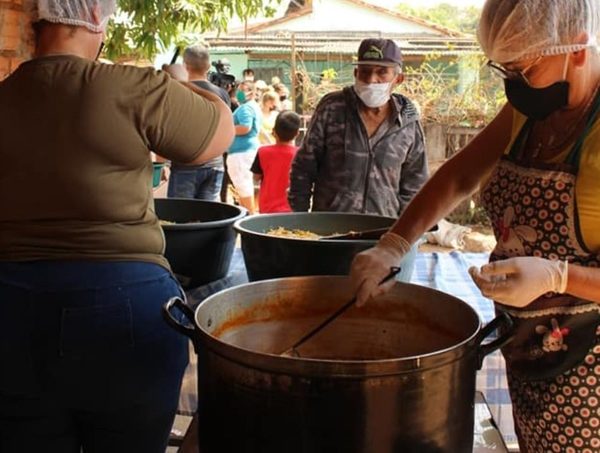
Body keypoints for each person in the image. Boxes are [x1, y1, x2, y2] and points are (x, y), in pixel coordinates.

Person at [350, 1, 600, 451]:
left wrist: (560, 276)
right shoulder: (531, 110)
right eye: (503, 69)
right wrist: (394, 243)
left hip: (592, 377)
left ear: (577, 49)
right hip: (531, 351)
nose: (513, 85)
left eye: (523, 69)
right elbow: (460, 176)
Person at [0, 1, 234, 452]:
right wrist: (187, 86)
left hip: (11, 310)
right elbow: (215, 137)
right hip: (123, 308)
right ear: (96, 20)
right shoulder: (132, 86)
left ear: (37, 23)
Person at [288, 38, 428, 280]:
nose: (371, 80)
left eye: (381, 72)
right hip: (330, 234)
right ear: (355, 73)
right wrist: (302, 221)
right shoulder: (333, 108)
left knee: (378, 305)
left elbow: (414, 184)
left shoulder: (408, 123)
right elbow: (304, 165)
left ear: (398, 78)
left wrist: (403, 235)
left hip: (383, 236)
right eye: (364, 72)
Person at [161, 46, 231, 202]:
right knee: (209, 219)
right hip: (215, 163)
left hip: (185, 164)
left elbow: (167, 128)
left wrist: (163, 163)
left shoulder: (177, 91)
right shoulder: (222, 94)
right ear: (208, 66)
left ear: (185, 65)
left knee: (181, 219)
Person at [251, 111, 302, 213]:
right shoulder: (300, 154)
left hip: (267, 208)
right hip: (292, 208)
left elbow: (256, 177)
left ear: (274, 131)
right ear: (297, 133)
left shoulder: (262, 152)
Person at [227, 81, 263, 213]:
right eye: (239, 89)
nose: (240, 92)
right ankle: (248, 213)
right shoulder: (254, 106)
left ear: (252, 92)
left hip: (241, 153)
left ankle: (249, 216)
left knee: (243, 185)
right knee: (245, 186)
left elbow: (245, 127)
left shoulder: (245, 108)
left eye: (244, 89)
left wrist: (226, 128)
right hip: (247, 150)